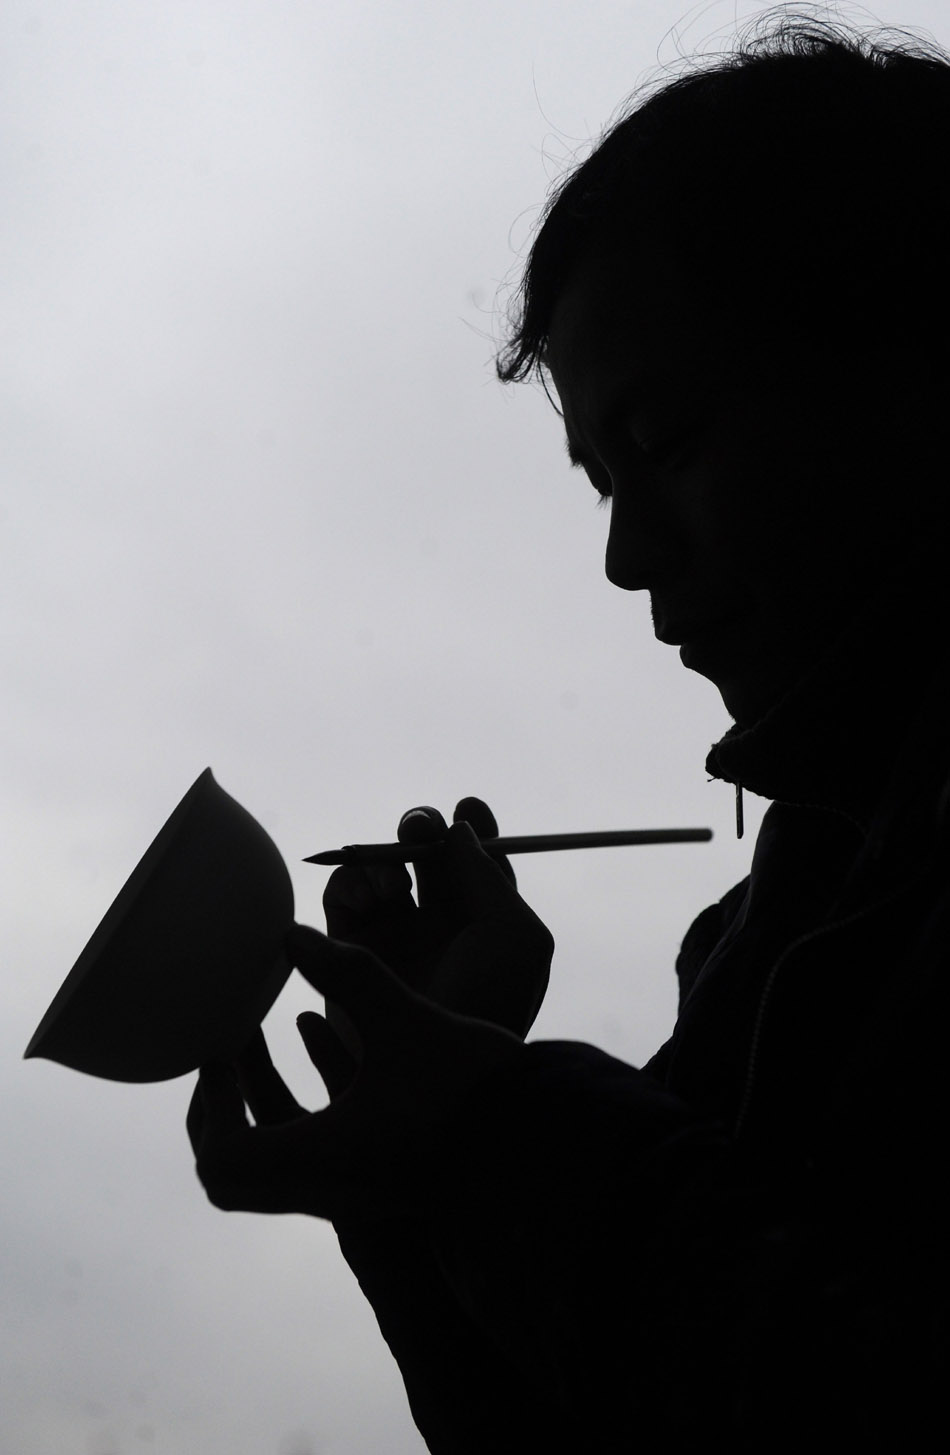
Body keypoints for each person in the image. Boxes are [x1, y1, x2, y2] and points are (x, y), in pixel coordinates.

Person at [188, 14, 950, 1450]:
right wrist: (411, 1181)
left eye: (666, 443)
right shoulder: (767, 943)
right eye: (599, 478)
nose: (623, 560)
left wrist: (491, 1142)